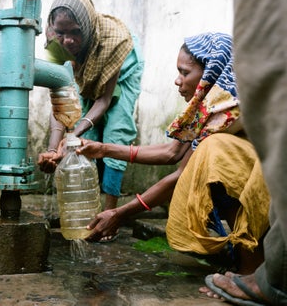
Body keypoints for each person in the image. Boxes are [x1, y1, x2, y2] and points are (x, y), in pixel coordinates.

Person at [77, 32, 270, 275]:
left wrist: (119, 214)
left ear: (211, 73)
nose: (178, 81)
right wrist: (102, 149)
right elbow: (172, 151)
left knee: (216, 166)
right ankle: (244, 262)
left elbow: (181, 175)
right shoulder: (212, 106)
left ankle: (249, 272)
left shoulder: (227, 111)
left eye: (185, 73)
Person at [200, 0, 287, 304]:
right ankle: (275, 274)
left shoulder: (223, 107)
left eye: (183, 72)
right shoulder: (197, 110)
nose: (176, 81)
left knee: (271, 68)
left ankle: (272, 274)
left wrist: (128, 208)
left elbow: (176, 158)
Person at [38, 0, 145, 219]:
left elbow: (104, 100)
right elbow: (60, 99)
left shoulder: (115, 41)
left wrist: (73, 135)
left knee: (117, 131)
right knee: (86, 131)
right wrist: (52, 148)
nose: (68, 40)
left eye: (75, 32)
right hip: (83, 70)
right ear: (53, 29)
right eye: (61, 33)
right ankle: (89, 210)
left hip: (123, 70)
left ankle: (109, 213)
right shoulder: (54, 41)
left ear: (85, 27)